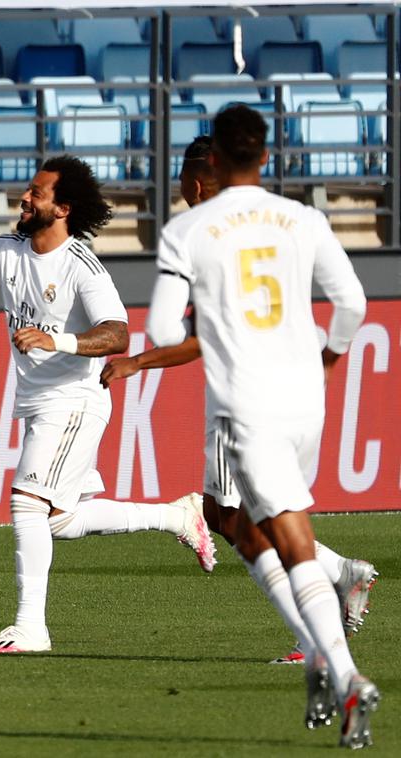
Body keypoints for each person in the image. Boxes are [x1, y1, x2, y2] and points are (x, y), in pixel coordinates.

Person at [0, 155, 215, 655]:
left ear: (63, 208)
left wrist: (60, 341)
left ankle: (31, 628)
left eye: (36, 193)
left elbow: (117, 334)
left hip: (75, 402)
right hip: (39, 404)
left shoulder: (81, 264)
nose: (24, 199)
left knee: (27, 503)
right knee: (58, 520)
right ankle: (177, 517)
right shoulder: (6, 250)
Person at [145, 104, 377, 748]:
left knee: (281, 537)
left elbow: (165, 329)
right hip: (308, 397)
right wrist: (330, 355)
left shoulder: (189, 229)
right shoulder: (303, 218)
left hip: (247, 400)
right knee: (253, 527)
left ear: (212, 158)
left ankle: (340, 670)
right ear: (267, 158)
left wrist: (201, 326)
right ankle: (322, 658)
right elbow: (353, 302)